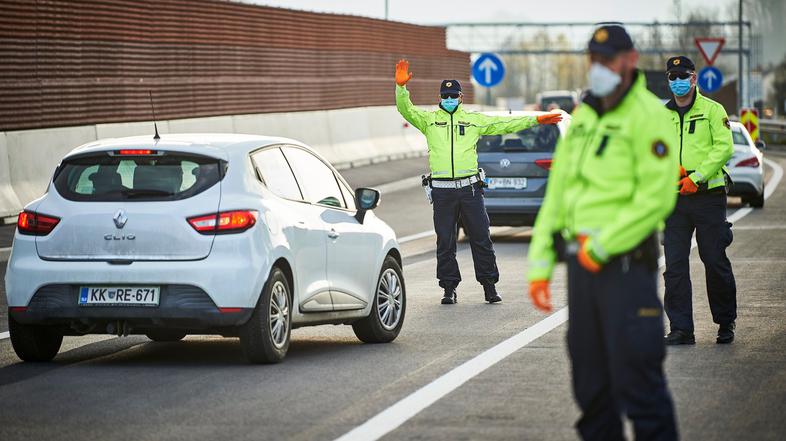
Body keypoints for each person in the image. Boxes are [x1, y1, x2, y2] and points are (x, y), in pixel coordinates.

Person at [527, 25, 679, 440]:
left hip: (625, 268)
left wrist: (605, 244)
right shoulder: (585, 117)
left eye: (608, 60)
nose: (600, 68)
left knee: (639, 386)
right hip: (582, 268)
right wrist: (539, 263)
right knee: (590, 387)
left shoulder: (649, 117)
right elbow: (559, 193)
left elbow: (657, 197)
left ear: (630, 60)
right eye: (594, 61)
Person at [394, 59, 562, 305]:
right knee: (445, 242)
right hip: (442, 192)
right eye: (445, 96)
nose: (449, 99)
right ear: (440, 98)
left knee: (481, 238)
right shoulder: (428, 120)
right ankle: (449, 288)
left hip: (470, 190)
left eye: (453, 95)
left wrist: (535, 121)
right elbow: (405, 109)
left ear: (460, 97)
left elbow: (505, 123)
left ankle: (489, 286)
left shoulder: (473, 120)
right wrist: (401, 88)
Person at [662, 55, 737, 345]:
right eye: (673, 77)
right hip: (674, 199)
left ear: (694, 79)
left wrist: (697, 177)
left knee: (714, 260)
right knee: (675, 267)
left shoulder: (712, 110)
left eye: (683, 76)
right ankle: (681, 329)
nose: (678, 81)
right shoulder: (662, 116)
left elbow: (723, 148)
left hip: (708, 196)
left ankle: (725, 322)